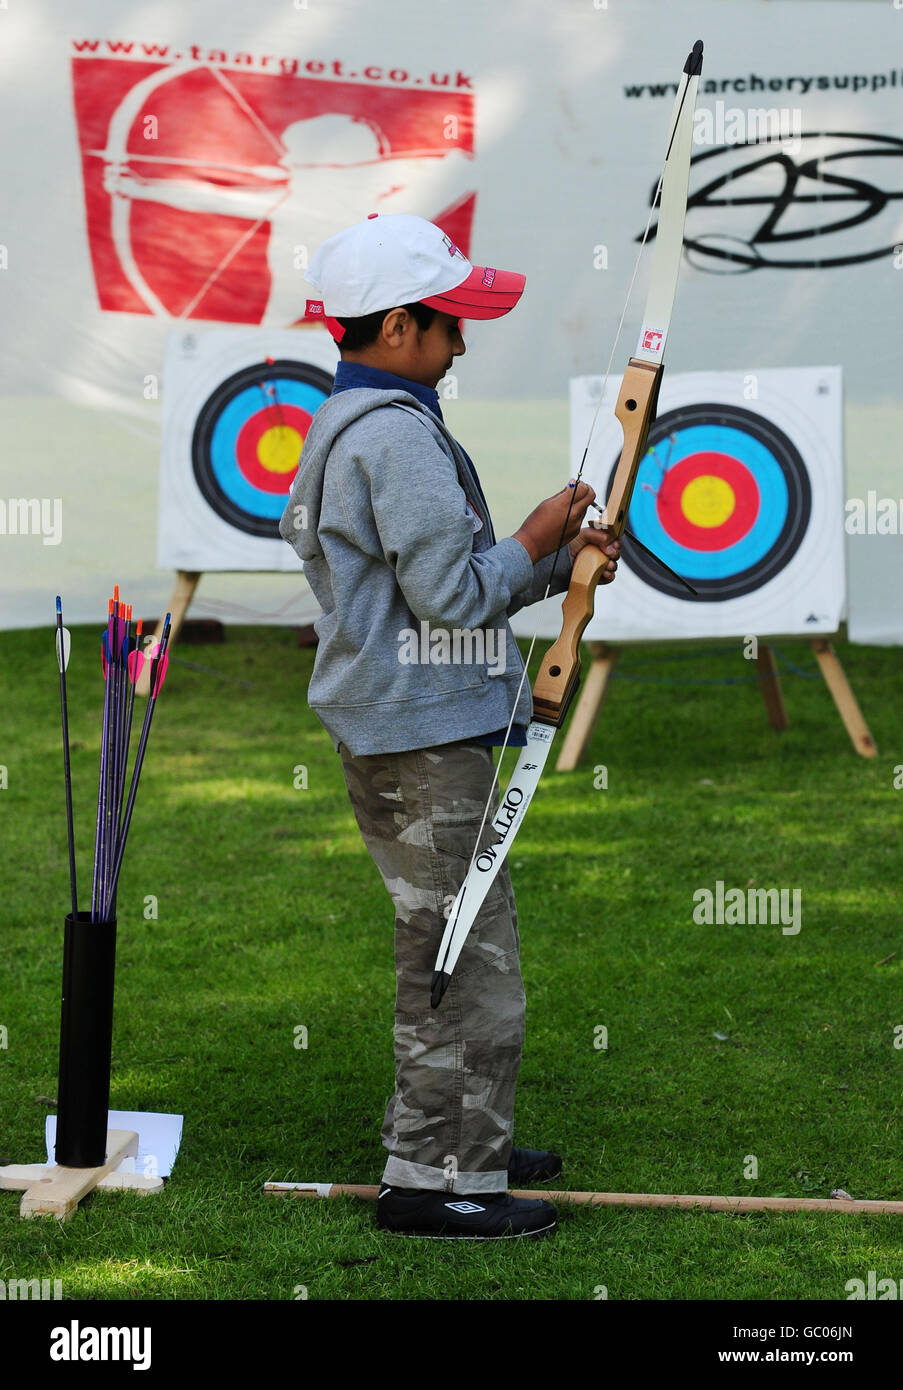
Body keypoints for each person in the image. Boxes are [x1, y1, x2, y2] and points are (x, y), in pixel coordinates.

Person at [279, 212, 620, 1239]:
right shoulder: (392, 435)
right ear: (395, 329)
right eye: (447, 324)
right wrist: (535, 539)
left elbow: (426, 587)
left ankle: (461, 1129)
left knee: (450, 939)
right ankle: (438, 1181)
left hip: (401, 728)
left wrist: (562, 566)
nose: (461, 341)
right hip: (421, 739)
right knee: (464, 960)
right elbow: (455, 597)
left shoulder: (361, 424)